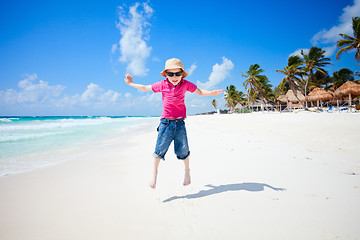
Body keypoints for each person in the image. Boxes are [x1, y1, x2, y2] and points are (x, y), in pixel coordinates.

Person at [124, 58, 223, 189]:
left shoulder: (185, 84)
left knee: (183, 149)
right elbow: (145, 88)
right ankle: (154, 172)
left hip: (180, 123)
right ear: (166, 74)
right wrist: (131, 84)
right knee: (159, 150)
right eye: (171, 74)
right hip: (166, 123)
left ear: (182, 74)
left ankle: (187, 171)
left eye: (177, 74)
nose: (174, 77)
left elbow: (199, 91)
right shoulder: (162, 84)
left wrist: (210, 93)